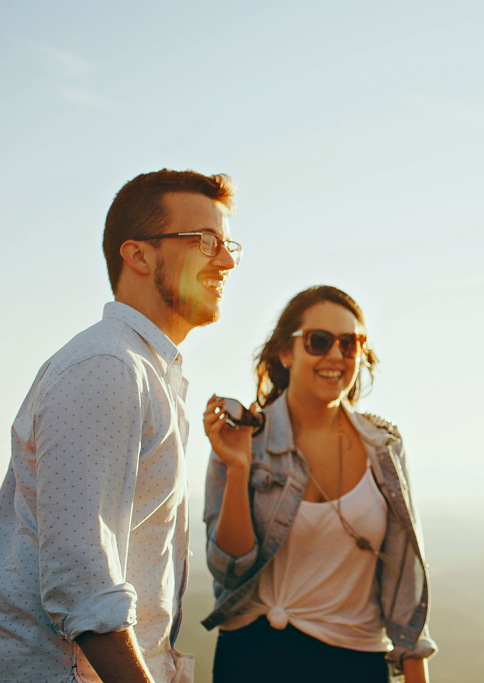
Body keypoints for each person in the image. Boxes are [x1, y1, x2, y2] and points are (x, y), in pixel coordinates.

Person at [0, 169, 239, 682]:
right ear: (139, 254)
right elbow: (83, 586)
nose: (226, 259)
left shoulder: (147, 371)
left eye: (227, 243)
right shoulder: (108, 366)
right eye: (206, 241)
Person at [200, 285, 435, 683]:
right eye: (319, 341)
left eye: (351, 343)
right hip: (252, 659)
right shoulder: (243, 438)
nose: (336, 355)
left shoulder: (385, 448)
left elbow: (404, 588)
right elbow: (229, 571)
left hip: (355, 664)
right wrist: (238, 468)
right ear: (286, 352)